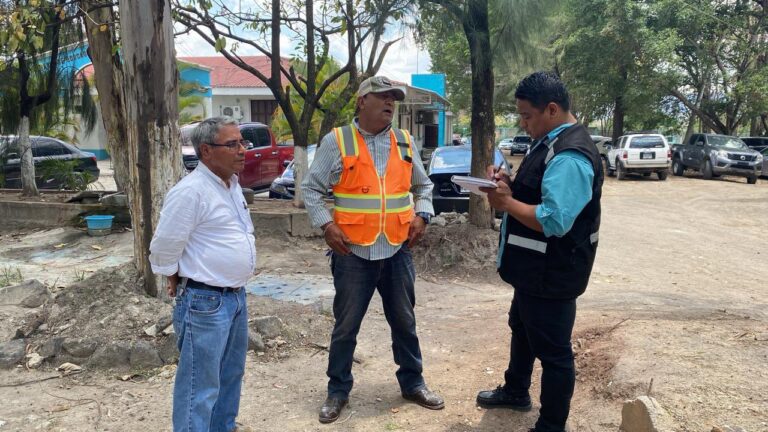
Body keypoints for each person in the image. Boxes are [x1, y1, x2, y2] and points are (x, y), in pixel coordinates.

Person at [302, 75, 444, 424]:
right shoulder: (337, 141)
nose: (390, 104)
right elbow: (311, 189)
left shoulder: (404, 142)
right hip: (352, 253)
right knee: (346, 326)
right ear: (362, 101)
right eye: (383, 97)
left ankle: (413, 382)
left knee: (404, 322)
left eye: (394, 99)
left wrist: (423, 215)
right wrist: (326, 225)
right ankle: (337, 391)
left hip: (397, 250)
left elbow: (424, 187)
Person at [476, 71, 604, 432]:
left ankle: (551, 425)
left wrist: (506, 201)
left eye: (526, 116)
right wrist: (507, 185)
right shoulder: (550, 141)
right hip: (533, 271)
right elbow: (538, 192)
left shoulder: (571, 156)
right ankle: (517, 390)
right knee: (522, 326)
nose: (522, 123)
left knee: (554, 352)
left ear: (551, 109)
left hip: (553, 273)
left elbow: (555, 220)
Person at [149, 116, 255, 432]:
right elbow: (164, 244)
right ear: (206, 151)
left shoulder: (231, 185)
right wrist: (171, 273)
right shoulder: (191, 192)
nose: (242, 150)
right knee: (200, 384)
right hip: (205, 302)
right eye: (232, 144)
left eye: (242, 142)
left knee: (229, 374)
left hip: (235, 298)